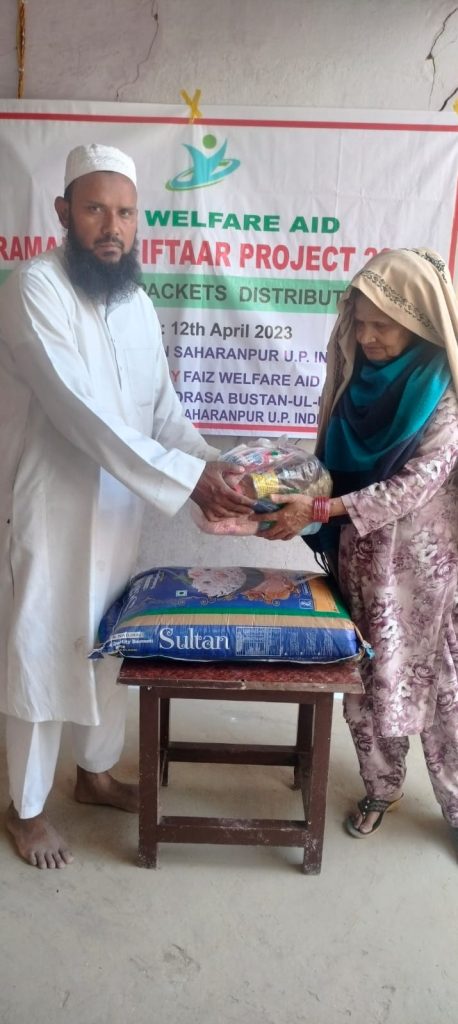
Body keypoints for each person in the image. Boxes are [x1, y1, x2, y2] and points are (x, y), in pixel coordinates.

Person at [0, 143, 253, 869]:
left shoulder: (136, 303)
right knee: (41, 647)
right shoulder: (33, 290)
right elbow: (82, 414)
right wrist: (189, 482)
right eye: (95, 209)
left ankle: (95, 774)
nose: (112, 227)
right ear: (63, 212)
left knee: (111, 646)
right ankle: (25, 808)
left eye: (125, 212)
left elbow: (161, 413)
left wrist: (218, 469)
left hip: (121, 512)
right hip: (51, 509)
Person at [257, 247, 458, 843]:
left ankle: (455, 804)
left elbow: (414, 485)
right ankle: (381, 788)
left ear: (419, 323)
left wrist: (319, 510)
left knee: (444, 692)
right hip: (360, 562)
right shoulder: (354, 385)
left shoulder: (445, 393)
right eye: (360, 322)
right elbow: (331, 468)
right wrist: (278, 493)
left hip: (426, 579)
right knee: (366, 682)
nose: (366, 337)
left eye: (382, 326)